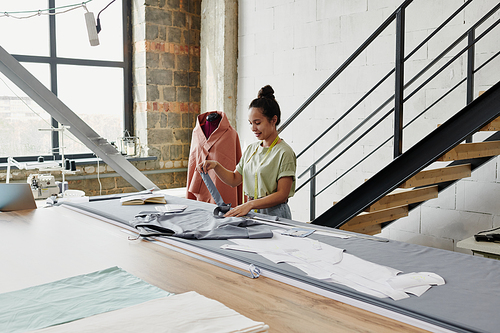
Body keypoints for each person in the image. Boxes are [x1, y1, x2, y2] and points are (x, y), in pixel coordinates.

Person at [197, 85, 296, 219]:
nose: (253, 128)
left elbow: (282, 194)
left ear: (274, 120)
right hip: (250, 213)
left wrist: (250, 205)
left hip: (275, 215)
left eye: (257, 123)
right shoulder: (251, 149)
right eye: (250, 123)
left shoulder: (284, 152)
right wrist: (215, 165)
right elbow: (234, 179)